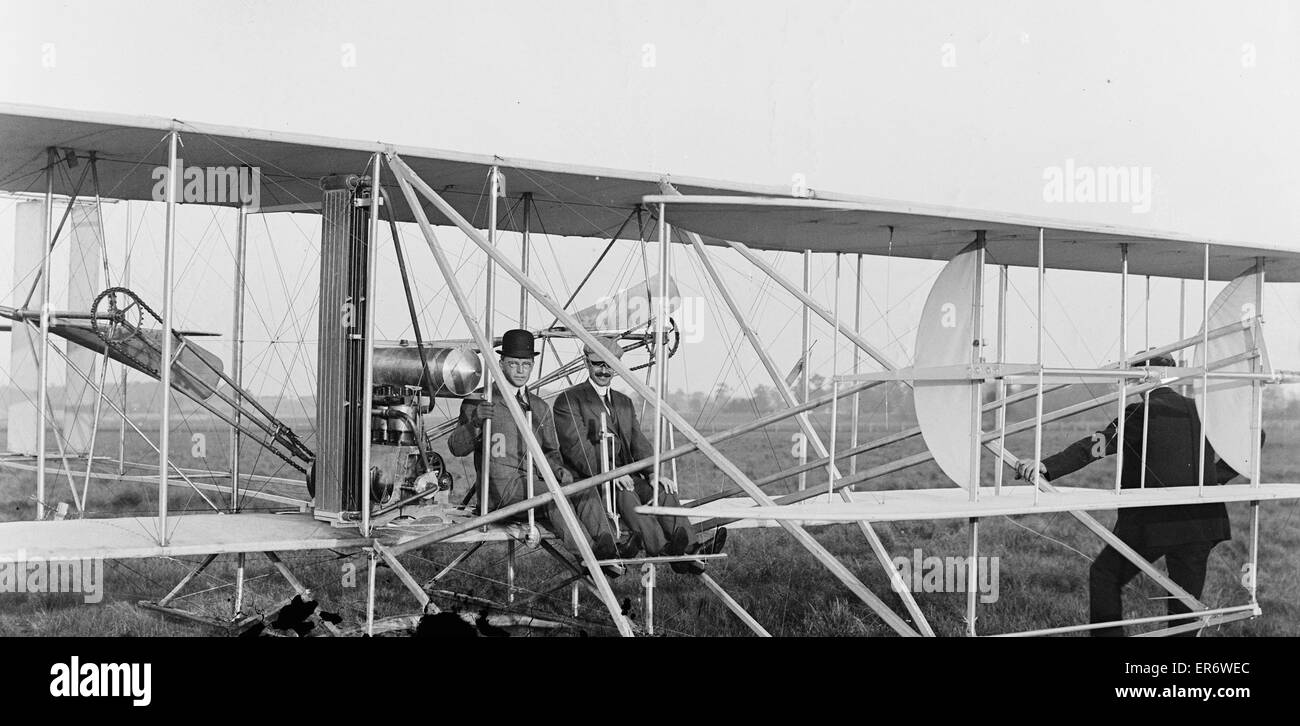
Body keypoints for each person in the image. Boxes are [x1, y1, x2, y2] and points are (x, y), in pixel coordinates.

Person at [1015, 352, 1253, 636]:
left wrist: (1046, 466)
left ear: (1142, 378)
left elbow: (1097, 445)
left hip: (1153, 522)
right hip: (1202, 522)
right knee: (1184, 602)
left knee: (1105, 575)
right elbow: (1255, 437)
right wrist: (1215, 479)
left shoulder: (1139, 412)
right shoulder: (1203, 409)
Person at [448, 329, 624, 577]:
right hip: (499, 493)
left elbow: (551, 453)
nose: (520, 370)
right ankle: (590, 559)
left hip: (532, 485)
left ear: (532, 365)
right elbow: (456, 448)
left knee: (583, 488)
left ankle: (609, 551)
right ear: (501, 364)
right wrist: (474, 423)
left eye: (526, 364)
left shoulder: (539, 407)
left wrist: (559, 470)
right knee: (552, 497)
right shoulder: (480, 402)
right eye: (513, 364)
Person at [552, 336, 726, 575]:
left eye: (609, 365)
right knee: (627, 493)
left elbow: (637, 441)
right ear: (586, 363)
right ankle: (664, 550)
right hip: (592, 480)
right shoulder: (569, 400)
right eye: (597, 364)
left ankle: (691, 549)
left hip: (626, 476)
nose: (604, 370)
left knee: (663, 491)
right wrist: (611, 473)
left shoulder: (623, 402)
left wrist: (653, 473)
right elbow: (577, 450)